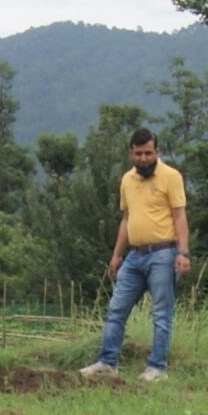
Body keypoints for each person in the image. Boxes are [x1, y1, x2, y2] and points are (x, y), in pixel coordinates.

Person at [80, 128, 189, 381]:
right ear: (131, 153)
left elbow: (180, 216)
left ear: (157, 152)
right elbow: (126, 218)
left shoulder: (171, 176)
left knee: (161, 312)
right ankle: (107, 363)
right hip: (135, 255)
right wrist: (117, 255)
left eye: (148, 153)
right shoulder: (127, 180)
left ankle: (157, 367)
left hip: (164, 253)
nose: (143, 158)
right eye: (138, 153)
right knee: (116, 308)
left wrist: (183, 253)